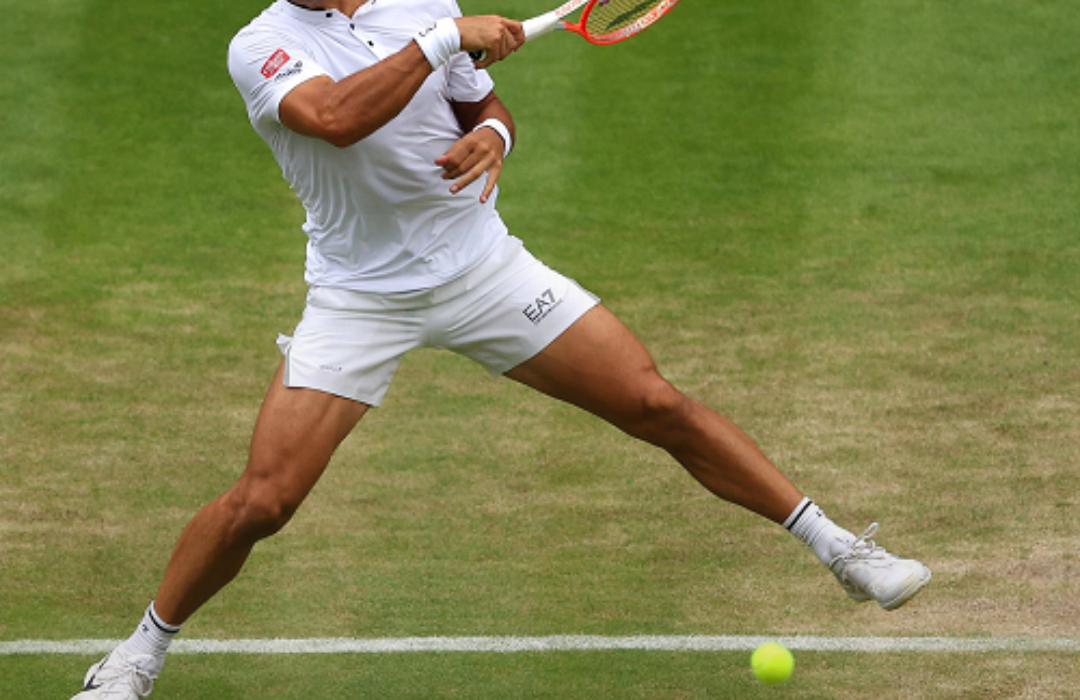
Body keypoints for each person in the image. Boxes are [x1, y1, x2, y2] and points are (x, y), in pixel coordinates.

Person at [69, 1, 931, 698]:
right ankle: (138, 657)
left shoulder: (421, 4)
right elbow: (332, 119)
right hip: (360, 298)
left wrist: (497, 134)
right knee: (263, 500)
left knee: (656, 405)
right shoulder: (259, 43)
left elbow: (478, 102)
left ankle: (840, 550)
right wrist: (444, 36)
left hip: (483, 267)